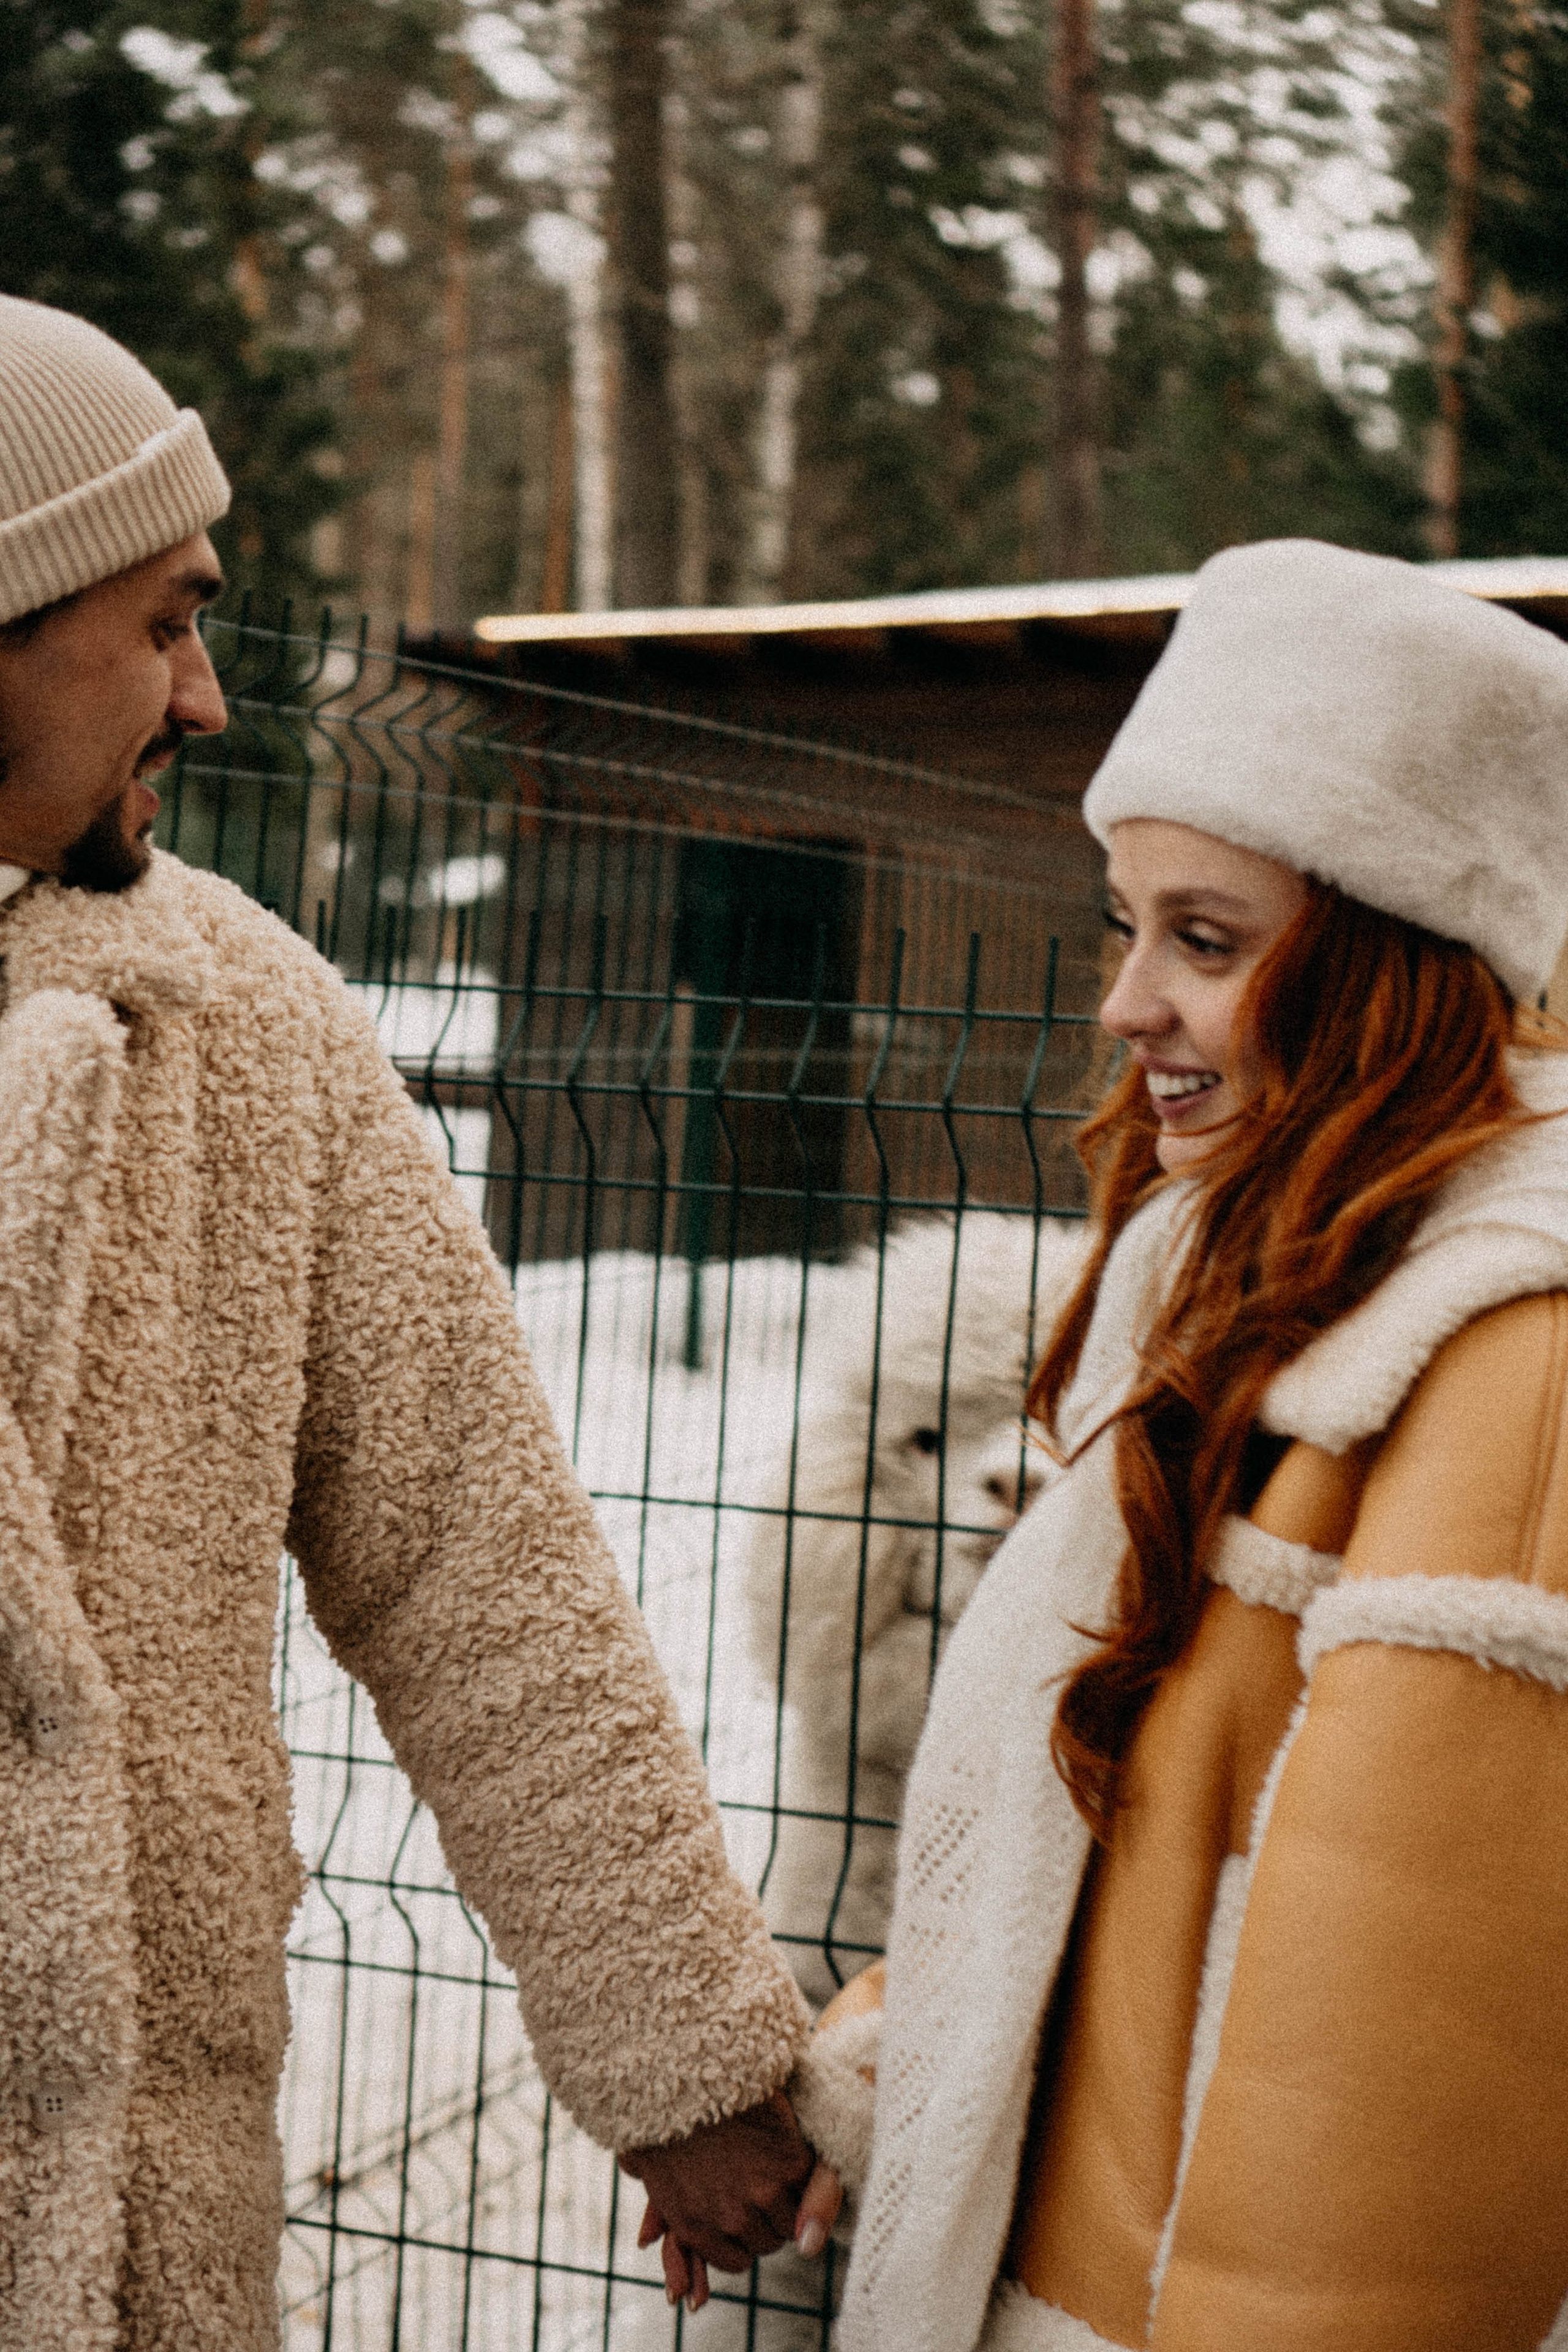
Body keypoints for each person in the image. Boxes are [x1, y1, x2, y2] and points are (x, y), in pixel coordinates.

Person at [0, 294, 842, 2350]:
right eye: (167, 620)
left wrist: (690, 2066)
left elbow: (478, 1555)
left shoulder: (246, 1018)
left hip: (130, 2216)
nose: (207, 699)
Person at [785, 538, 1568, 2352]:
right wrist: (899, 2062)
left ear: (1397, 973)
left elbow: (1374, 2174)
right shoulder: (1244, 1289)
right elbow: (1138, 1846)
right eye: (1124, 924)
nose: (1130, 1004)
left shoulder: (1509, 1374)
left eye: (1205, 940)